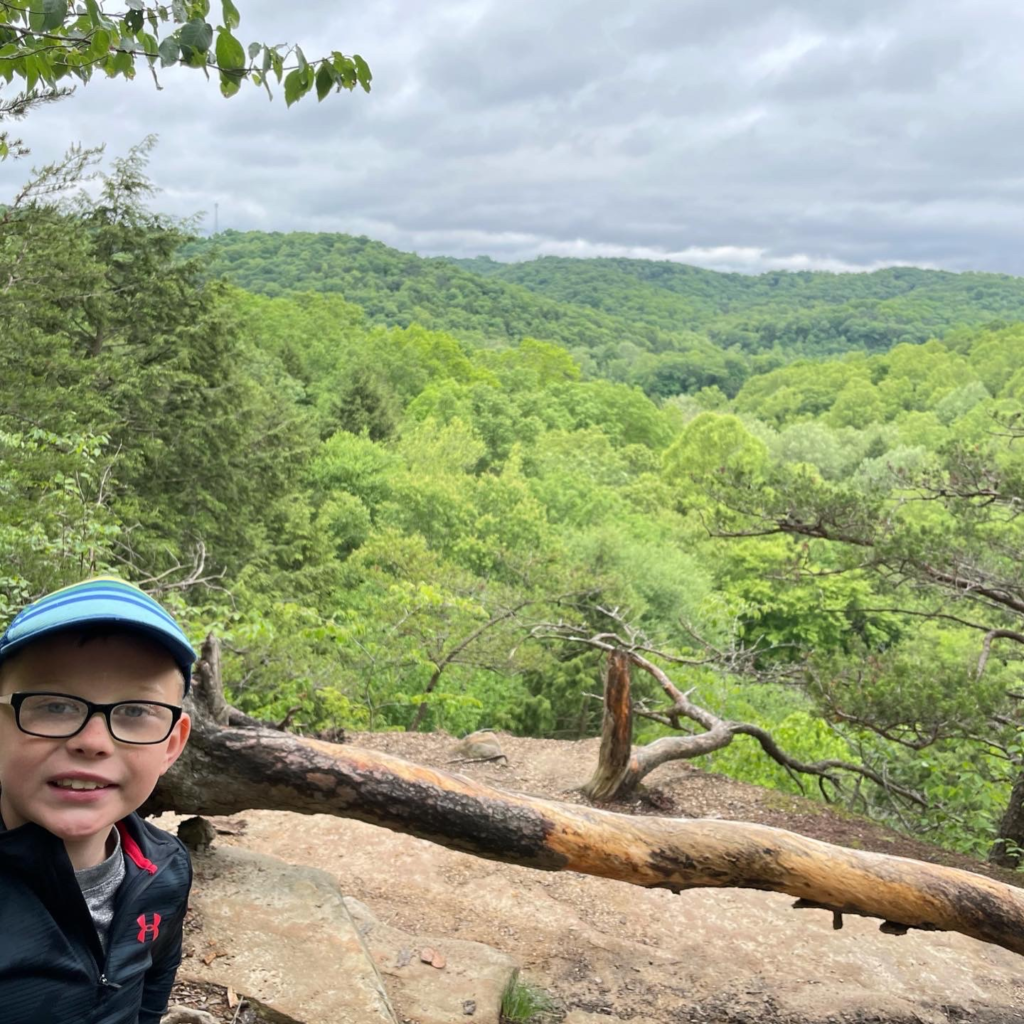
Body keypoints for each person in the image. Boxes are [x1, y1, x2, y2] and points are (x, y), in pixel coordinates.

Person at [0, 576, 196, 1024]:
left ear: (171, 744)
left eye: (135, 712)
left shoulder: (166, 868)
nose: (93, 742)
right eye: (53, 705)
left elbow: (154, 985)